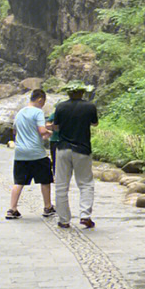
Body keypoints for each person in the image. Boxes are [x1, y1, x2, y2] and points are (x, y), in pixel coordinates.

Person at [52, 84, 99, 229]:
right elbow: (95, 123)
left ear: (68, 93)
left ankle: (64, 219)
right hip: (82, 149)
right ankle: (85, 215)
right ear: (82, 92)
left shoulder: (60, 107)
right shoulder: (90, 106)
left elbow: (56, 126)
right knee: (85, 183)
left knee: (61, 185)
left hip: (63, 148)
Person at [6, 89, 55, 220]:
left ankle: (12, 209)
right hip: (36, 152)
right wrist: (50, 133)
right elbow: (42, 130)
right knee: (45, 180)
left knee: (19, 181)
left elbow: (15, 131)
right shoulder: (38, 112)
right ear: (40, 99)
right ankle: (48, 207)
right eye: (43, 102)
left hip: (20, 152)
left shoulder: (20, 112)